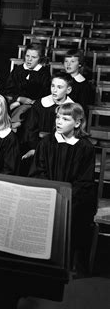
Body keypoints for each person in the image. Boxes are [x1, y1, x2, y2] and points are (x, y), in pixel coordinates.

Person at [29, 102, 96, 268]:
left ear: (77, 123)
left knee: (75, 217)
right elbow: (38, 171)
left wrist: (66, 199)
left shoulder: (85, 147)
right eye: (57, 117)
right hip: (47, 196)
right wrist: (50, 195)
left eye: (65, 119)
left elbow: (85, 181)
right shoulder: (46, 143)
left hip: (73, 200)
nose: (59, 122)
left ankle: (66, 262)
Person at [20, 72, 74, 161]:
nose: (54, 90)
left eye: (59, 87)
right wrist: (36, 148)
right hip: (36, 145)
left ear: (68, 90)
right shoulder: (39, 104)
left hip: (60, 149)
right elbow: (30, 128)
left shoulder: (73, 109)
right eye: (53, 86)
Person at [4, 43, 51, 125]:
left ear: (40, 58)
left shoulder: (44, 73)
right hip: (15, 102)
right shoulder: (18, 70)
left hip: (35, 107)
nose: (29, 59)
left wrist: (32, 102)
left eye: (34, 57)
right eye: (27, 56)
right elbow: (8, 90)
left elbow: (46, 94)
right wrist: (19, 99)